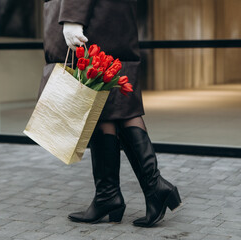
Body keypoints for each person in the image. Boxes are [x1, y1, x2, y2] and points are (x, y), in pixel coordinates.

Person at [41, 0, 181, 227]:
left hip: (90, 17)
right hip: (107, 14)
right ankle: (115, 194)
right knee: (109, 103)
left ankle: (142, 188)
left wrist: (72, 17)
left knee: (106, 94)